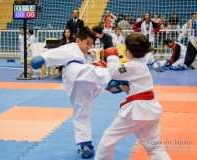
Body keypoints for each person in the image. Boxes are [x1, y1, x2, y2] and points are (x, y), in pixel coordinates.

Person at [30, 26, 129, 158]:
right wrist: (42, 58)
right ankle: (113, 80)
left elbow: (91, 66)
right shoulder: (71, 47)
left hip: (82, 85)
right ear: (77, 40)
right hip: (75, 72)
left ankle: (85, 145)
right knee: (93, 73)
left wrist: (98, 64)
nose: (89, 46)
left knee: (82, 111)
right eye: (87, 43)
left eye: (91, 44)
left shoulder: (86, 54)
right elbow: (57, 53)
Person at [94, 33, 171, 160]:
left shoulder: (132, 66)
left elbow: (114, 72)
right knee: (154, 147)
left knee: (108, 138)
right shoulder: (140, 66)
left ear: (128, 51)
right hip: (150, 109)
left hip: (137, 110)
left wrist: (112, 56)